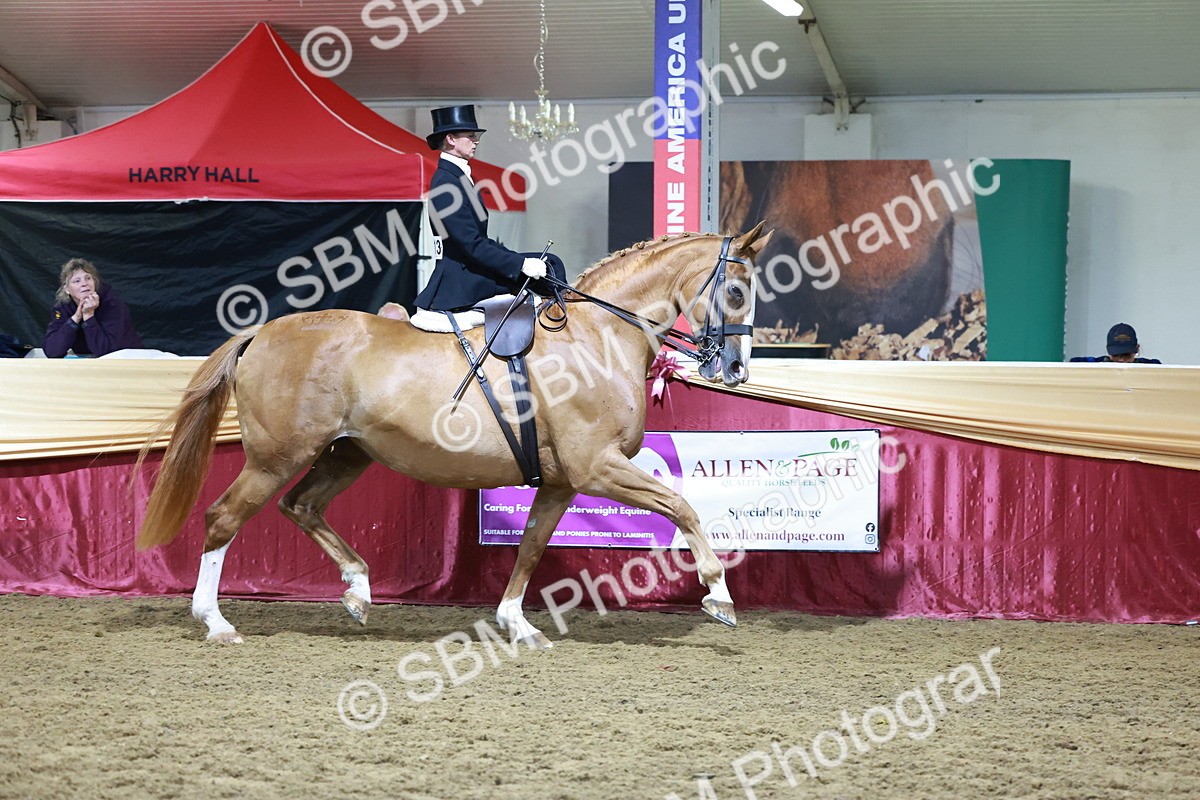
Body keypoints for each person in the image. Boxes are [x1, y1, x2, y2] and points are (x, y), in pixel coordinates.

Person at [415, 104, 567, 313]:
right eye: (470, 136)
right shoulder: (445, 184)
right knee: (551, 267)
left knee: (550, 263)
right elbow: (471, 245)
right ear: (451, 139)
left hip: (471, 266)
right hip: (462, 278)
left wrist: (519, 259)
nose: (476, 141)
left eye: (476, 136)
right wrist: (521, 264)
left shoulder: (458, 178)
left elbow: (480, 241)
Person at [43, 258, 144, 358]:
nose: (84, 284)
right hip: (87, 360)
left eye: (88, 278)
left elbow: (108, 352)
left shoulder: (112, 304)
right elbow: (52, 351)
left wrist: (89, 316)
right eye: (77, 281)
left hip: (127, 360)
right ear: (67, 289)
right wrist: (75, 319)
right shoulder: (63, 307)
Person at [1070, 322, 1160, 364]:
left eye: (1126, 355)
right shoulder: (1097, 363)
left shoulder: (1150, 366)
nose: (1121, 360)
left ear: (1137, 349)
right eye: (1116, 355)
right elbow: (1074, 363)